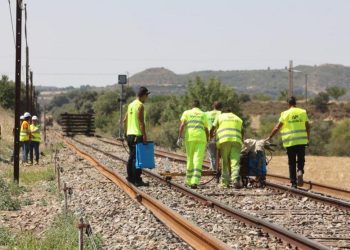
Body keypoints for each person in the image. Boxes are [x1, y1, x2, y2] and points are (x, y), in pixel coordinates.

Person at [267, 96, 310, 188]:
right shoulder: (302, 112)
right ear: (295, 103)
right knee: (301, 159)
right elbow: (307, 126)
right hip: (301, 140)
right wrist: (308, 138)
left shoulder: (285, 114)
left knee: (291, 162)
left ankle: (294, 183)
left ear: (288, 104)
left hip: (290, 142)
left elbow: (277, 127)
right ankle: (300, 171)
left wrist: (270, 137)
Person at [178, 100, 209, 189]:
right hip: (201, 138)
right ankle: (195, 181)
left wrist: (179, 137)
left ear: (191, 106)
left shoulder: (186, 113)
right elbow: (206, 129)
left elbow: (182, 125)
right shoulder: (203, 114)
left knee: (190, 158)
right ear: (199, 106)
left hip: (190, 138)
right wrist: (208, 139)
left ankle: (188, 180)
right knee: (198, 159)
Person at [210, 106, 243, 188]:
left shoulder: (220, 116)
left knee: (225, 161)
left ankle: (225, 182)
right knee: (235, 161)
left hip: (224, 141)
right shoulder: (238, 118)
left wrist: (210, 136)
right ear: (231, 112)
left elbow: (212, 128)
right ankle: (235, 179)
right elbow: (242, 131)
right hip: (236, 141)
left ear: (223, 112)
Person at [124, 86, 150, 187]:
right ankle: (137, 180)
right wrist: (144, 135)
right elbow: (141, 122)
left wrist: (125, 132)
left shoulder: (130, 105)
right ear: (143, 95)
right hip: (137, 134)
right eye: (147, 96)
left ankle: (130, 177)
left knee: (131, 157)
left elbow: (125, 120)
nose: (147, 98)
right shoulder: (140, 106)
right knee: (137, 158)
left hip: (130, 134)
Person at [205, 101, 222, 171]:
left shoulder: (207, 113)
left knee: (211, 153)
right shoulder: (221, 114)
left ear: (213, 106)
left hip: (210, 135)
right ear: (221, 107)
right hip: (220, 136)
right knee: (219, 154)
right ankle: (216, 168)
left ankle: (213, 168)